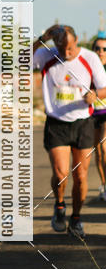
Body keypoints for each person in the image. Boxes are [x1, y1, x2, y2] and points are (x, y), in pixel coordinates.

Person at [33, 24, 106, 236]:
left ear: (76, 42)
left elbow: (104, 87)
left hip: (83, 122)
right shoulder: (46, 55)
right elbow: (20, 59)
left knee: (81, 176)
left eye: (71, 48)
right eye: (62, 48)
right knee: (61, 173)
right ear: (55, 44)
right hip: (56, 123)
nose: (67, 53)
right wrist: (42, 38)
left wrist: (95, 94)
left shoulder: (90, 58)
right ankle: (59, 205)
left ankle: (76, 218)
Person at [90, 33, 106, 200]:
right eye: (97, 48)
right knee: (98, 153)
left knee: (104, 147)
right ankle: (104, 184)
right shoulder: (88, 68)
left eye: (104, 49)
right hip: (92, 114)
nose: (101, 52)